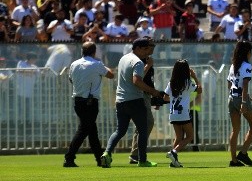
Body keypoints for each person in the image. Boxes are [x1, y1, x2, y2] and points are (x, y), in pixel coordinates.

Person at [100, 38, 162, 168]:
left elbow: (133, 77)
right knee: (143, 130)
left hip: (120, 100)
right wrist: (153, 92)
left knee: (120, 131)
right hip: (135, 100)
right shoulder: (138, 62)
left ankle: (107, 153)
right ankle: (142, 160)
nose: (147, 52)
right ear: (138, 48)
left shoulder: (124, 58)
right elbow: (136, 81)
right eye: (145, 49)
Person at [64, 42, 114, 167]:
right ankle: (69, 157)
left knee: (92, 130)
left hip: (78, 101)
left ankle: (99, 158)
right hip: (90, 102)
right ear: (94, 52)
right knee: (84, 130)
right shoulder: (97, 64)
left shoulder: (74, 64)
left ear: (82, 51)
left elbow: (71, 79)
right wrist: (102, 64)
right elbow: (111, 75)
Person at [163, 59, 202, 168]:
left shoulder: (171, 83)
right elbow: (200, 90)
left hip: (173, 114)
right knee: (190, 136)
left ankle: (174, 161)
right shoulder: (188, 83)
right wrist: (194, 77)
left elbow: (165, 98)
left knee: (179, 137)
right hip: (183, 113)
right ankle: (174, 152)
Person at [227, 41, 252, 167]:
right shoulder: (247, 65)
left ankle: (234, 160)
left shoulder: (233, 65)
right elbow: (245, 84)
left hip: (231, 98)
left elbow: (230, 84)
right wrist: (244, 101)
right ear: (247, 52)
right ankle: (243, 153)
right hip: (241, 99)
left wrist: (239, 96)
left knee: (235, 130)